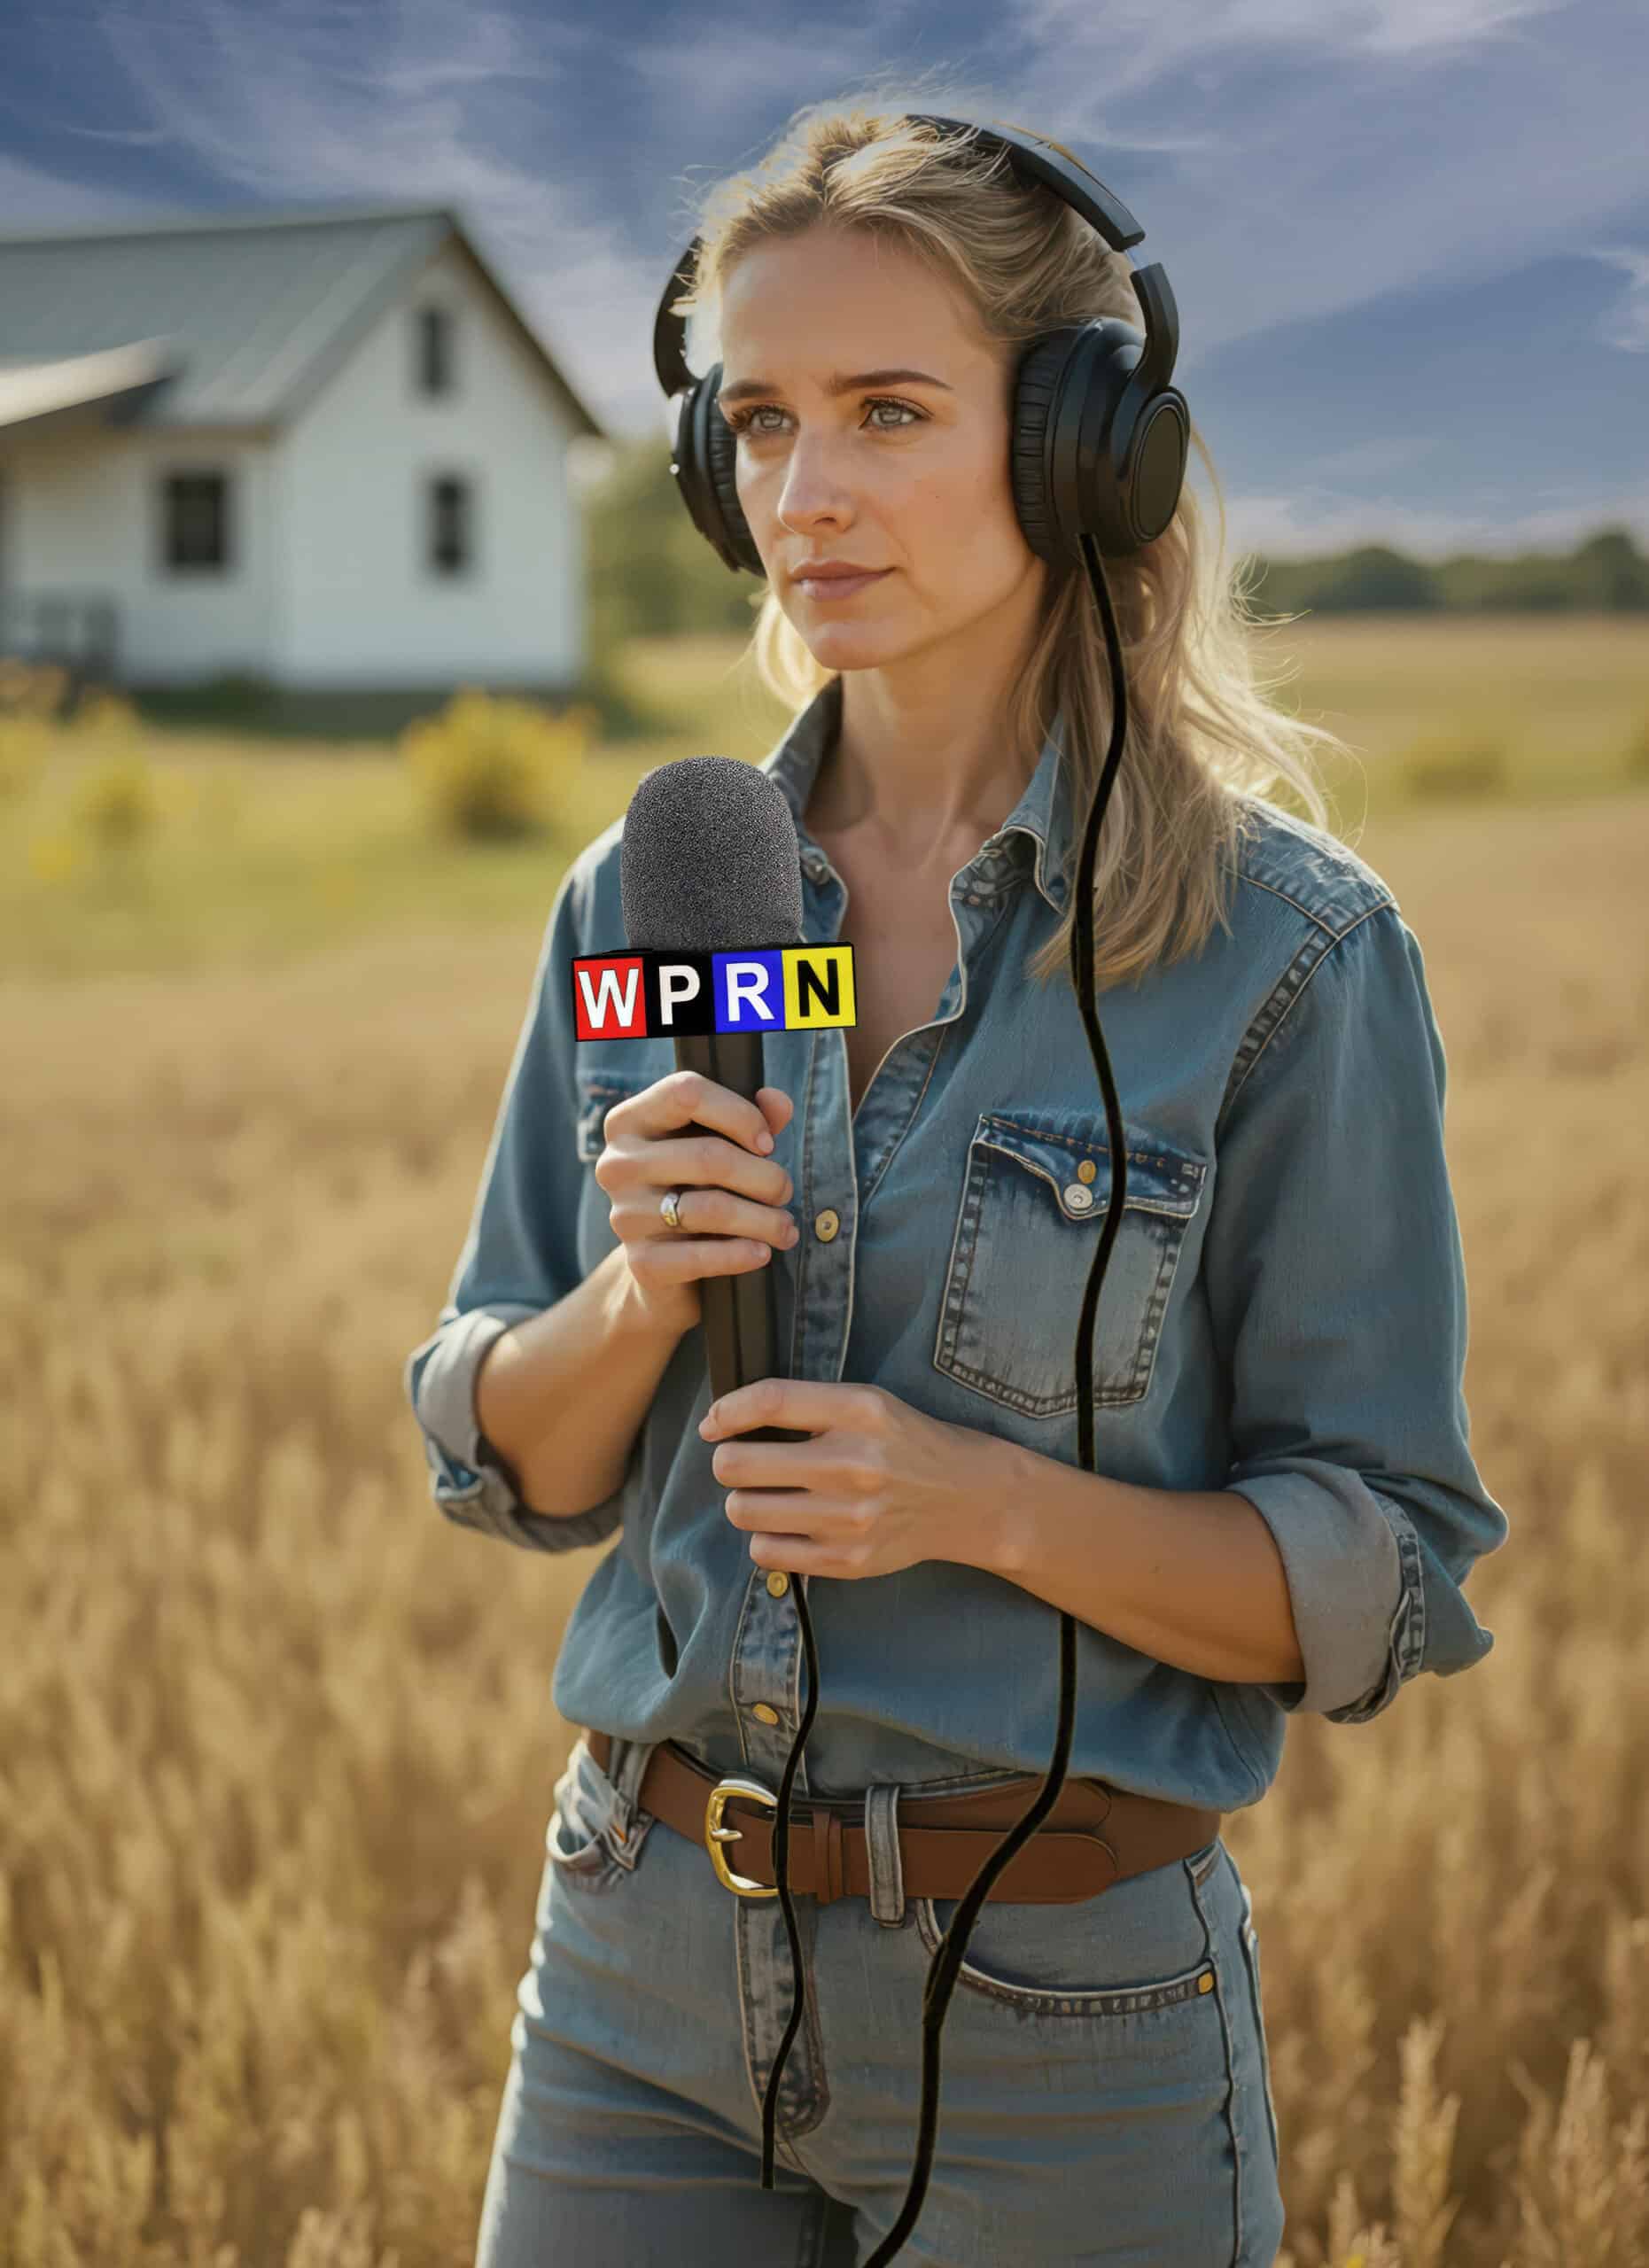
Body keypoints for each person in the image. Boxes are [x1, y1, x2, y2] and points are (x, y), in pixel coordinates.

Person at [403, 87, 1509, 2268]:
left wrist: (978, 1504)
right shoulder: (657, 891)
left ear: (1089, 444)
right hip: (635, 1959)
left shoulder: (1285, 961)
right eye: (761, 422)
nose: (806, 493)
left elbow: (1381, 1566)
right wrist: (633, 1301)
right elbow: (498, 1455)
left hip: (1063, 2010)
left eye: (889, 411)